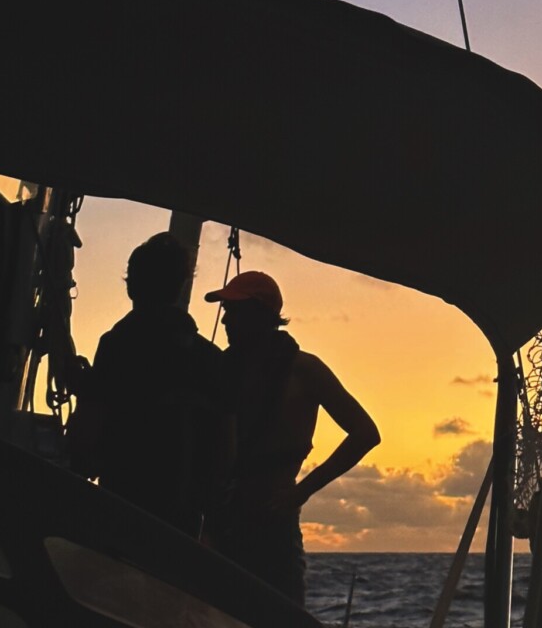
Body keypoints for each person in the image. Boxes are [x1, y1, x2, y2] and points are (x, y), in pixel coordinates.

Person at [202, 271, 379, 606]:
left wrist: (301, 492)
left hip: (273, 527)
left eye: (235, 311)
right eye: (226, 311)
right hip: (219, 523)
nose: (225, 320)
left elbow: (365, 433)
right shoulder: (220, 370)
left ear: (262, 314)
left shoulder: (304, 370)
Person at [66, 232, 231, 536]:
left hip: (122, 503)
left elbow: (92, 420)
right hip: (185, 521)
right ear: (181, 286)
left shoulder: (118, 345)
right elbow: (222, 444)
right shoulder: (210, 357)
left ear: (131, 285)